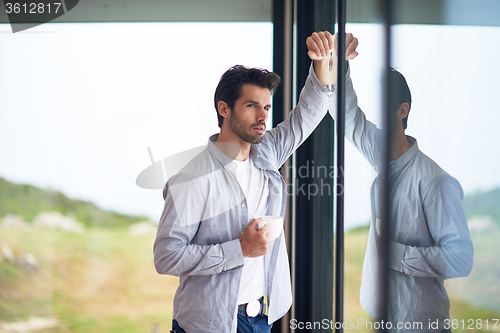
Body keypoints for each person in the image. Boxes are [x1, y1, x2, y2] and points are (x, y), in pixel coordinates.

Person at [153, 32, 359, 333]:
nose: (263, 117)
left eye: (266, 107)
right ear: (224, 109)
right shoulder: (192, 179)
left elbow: (306, 116)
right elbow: (167, 256)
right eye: (252, 106)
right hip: (208, 324)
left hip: (261, 317)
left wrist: (323, 63)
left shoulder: (267, 154)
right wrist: (240, 248)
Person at [311, 33, 474, 332]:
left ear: (403, 110)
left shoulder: (436, 182)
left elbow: (460, 259)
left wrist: (396, 254)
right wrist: (339, 67)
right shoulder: (382, 154)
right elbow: (347, 116)